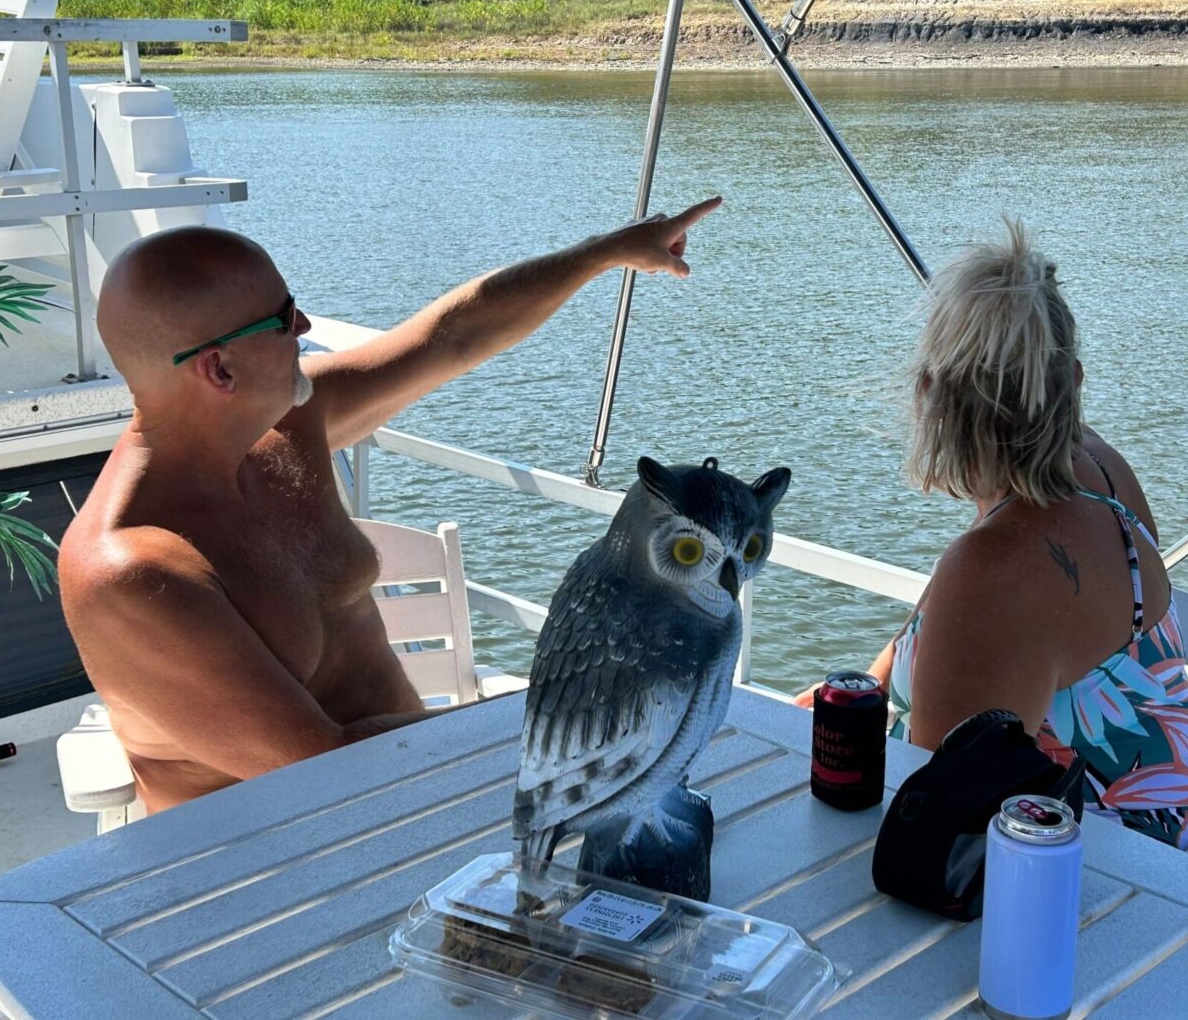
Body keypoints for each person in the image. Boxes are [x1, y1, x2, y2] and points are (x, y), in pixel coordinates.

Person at [60, 199, 721, 813]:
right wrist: (575, 712)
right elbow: (327, 765)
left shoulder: (288, 425)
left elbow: (454, 336)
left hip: (419, 786)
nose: (307, 327)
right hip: (275, 865)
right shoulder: (132, 570)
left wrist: (604, 252)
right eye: (285, 318)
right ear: (219, 371)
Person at [796, 220, 1188, 850]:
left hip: (1089, 875)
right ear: (1072, 381)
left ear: (929, 397)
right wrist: (870, 683)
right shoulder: (1100, 469)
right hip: (1183, 839)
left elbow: (937, 821)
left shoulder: (993, 567)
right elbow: (950, 624)